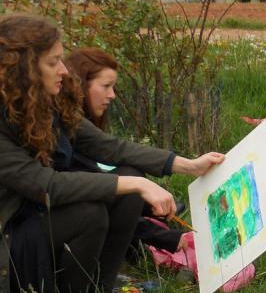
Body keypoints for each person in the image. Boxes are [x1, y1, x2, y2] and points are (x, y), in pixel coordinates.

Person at [0, 14, 224, 293]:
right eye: (53, 62)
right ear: (21, 68)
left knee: (128, 184)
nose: (65, 71)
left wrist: (188, 165)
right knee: (89, 212)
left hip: (22, 221)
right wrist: (139, 185)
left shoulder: (37, 103)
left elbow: (108, 146)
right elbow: (44, 185)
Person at [65, 46, 188, 254]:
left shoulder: (81, 124)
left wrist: (189, 166)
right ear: (80, 84)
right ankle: (100, 284)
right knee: (131, 179)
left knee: (133, 182)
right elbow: (105, 201)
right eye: (106, 86)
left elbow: (118, 149)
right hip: (72, 227)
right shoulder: (69, 130)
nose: (112, 95)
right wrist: (168, 238)